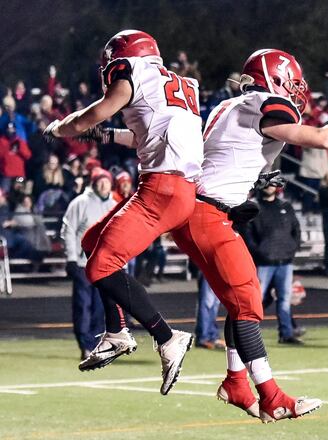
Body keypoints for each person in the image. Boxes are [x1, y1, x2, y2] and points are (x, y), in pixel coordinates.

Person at [165, 48, 328, 422]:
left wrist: (255, 177)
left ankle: (236, 380)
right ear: (272, 80)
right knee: (248, 301)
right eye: (290, 82)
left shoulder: (232, 105)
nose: (296, 90)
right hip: (205, 213)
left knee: (237, 302)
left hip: (204, 211)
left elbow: (227, 155)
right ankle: (271, 395)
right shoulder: (263, 105)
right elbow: (323, 139)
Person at [44, 30, 203, 394]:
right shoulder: (180, 84)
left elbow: (92, 114)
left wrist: (60, 127)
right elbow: (148, 133)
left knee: (100, 266)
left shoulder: (134, 73)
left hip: (163, 187)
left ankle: (167, 336)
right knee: (91, 241)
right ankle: (116, 333)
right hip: (176, 187)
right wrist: (107, 136)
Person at [61, 168, 117, 359]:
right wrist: (71, 259)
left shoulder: (115, 205)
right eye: (100, 181)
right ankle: (85, 345)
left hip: (105, 267)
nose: (104, 185)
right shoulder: (80, 203)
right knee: (83, 306)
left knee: (101, 308)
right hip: (83, 265)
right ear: (93, 183)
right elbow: (68, 230)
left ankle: (96, 345)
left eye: (106, 181)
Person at [244, 184, 302, 344]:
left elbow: (296, 229)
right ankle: (247, 335)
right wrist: (260, 252)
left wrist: (292, 248)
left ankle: (286, 334)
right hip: (264, 263)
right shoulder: (254, 207)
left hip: (285, 261)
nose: (270, 186)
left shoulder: (285, 206)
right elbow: (248, 235)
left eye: (273, 183)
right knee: (256, 300)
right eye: (267, 183)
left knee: (284, 299)